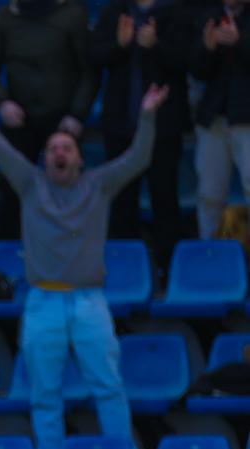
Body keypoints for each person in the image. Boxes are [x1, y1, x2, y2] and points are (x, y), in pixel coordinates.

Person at [0, 71, 168, 449]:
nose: (60, 153)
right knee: (45, 392)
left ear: (80, 157)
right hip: (42, 301)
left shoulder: (99, 184)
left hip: (88, 301)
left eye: (67, 147)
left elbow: (139, 159)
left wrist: (149, 116)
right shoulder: (30, 184)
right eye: (53, 149)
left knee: (108, 385)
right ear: (44, 158)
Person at [0, 0, 98, 240]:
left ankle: (74, 246)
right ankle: (9, 255)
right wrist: (1, 101)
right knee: (13, 192)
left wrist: (77, 114)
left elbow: (90, 70)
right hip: (19, 120)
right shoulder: (6, 17)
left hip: (63, 122)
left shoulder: (72, 15)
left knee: (70, 189)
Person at [91, 0, 193, 271]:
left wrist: (156, 45)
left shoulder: (176, 13)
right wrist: (120, 45)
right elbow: (95, 55)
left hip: (164, 126)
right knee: (122, 203)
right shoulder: (113, 12)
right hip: (120, 126)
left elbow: (188, 62)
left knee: (165, 200)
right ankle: (125, 272)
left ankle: (170, 272)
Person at [190, 0, 250, 239]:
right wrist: (207, 47)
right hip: (214, 119)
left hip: (247, 121)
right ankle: (210, 255)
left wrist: (240, 42)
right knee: (209, 194)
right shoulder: (208, 15)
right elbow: (196, 70)